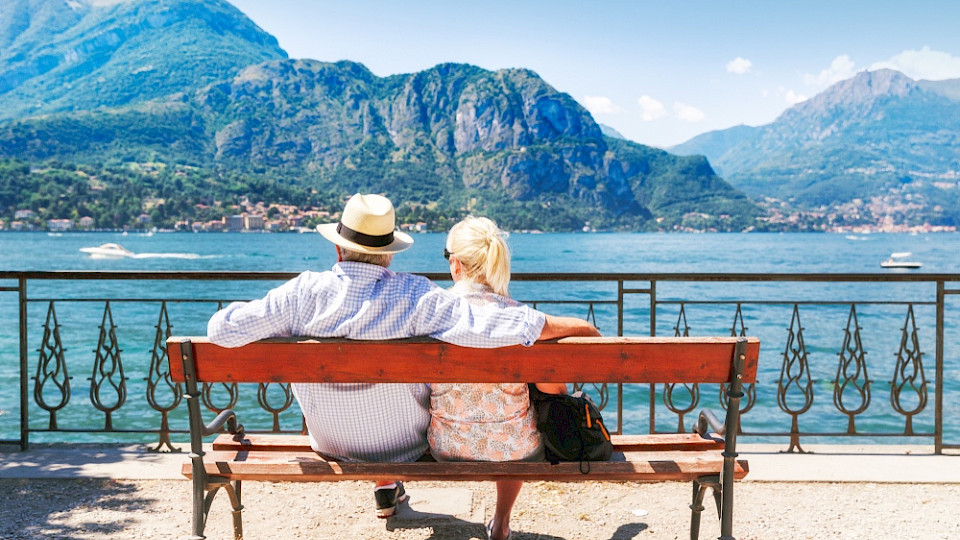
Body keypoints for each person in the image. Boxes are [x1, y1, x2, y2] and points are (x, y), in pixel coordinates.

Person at [206, 193, 599, 519]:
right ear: (390, 254)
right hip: (404, 448)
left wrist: (280, 320)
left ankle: (386, 488)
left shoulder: (300, 293)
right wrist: (571, 325)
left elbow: (220, 330)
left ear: (338, 247)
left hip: (327, 442)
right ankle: (392, 482)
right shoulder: (414, 295)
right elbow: (489, 325)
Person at [428, 216, 576, 540]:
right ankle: (501, 522)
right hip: (515, 451)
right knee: (518, 423)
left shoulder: (430, 314)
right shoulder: (522, 319)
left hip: (446, 447)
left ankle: (387, 490)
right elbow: (556, 388)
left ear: (456, 265)